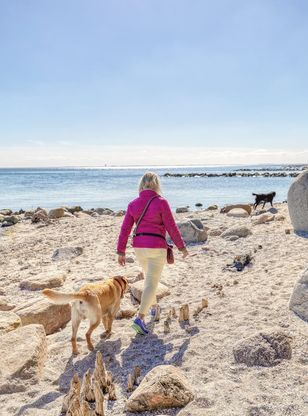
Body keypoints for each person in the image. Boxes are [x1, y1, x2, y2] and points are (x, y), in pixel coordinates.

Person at [117, 172, 189, 335]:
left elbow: (125, 229)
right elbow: (171, 227)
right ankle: (140, 318)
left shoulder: (133, 204)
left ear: (141, 185)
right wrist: (181, 247)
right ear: (156, 185)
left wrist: (121, 251)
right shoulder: (161, 202)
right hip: (157, 247)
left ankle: (155, 308)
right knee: (151, 282)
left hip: (139, 247)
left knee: (150, 280)